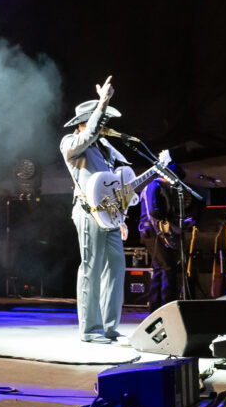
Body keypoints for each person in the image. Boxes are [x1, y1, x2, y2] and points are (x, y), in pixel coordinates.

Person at [60, 76, 131, 343]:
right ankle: (90, 330)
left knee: (115, 266)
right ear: (86, 122)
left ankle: (110, 327)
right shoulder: (70, 141)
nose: (103, 126)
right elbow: (88, 134)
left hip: (110, 214)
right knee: (91, 266)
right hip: (88, 211)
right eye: (100, 121)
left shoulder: (106, 147)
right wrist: (103, 102)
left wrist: (121, 215)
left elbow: (116, 181)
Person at [138, 164, 186, 311]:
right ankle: (167, 306)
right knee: (168, 267)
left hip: (153, 231)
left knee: (160, 268)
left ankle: (156, 306)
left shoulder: (157, 187)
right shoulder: (155, 186)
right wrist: (173, 224)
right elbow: (155, 212)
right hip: (153, 232)